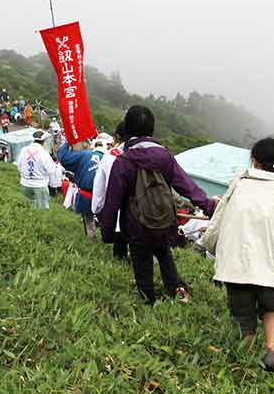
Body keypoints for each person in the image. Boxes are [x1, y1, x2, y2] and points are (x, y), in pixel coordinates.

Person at [199, 137, 274, 372]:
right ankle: (271, 350)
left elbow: (217, 222)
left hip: (237, 266)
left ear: (254, 161)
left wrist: (210, 244)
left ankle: (246, 354)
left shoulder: (238, 186)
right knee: (271, 307)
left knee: (243, 314)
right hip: (272, 268)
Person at [100, 105, 218, 305]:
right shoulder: (165, 156)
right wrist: (209, 206)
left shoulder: (124, 161)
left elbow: (113, 202)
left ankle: (148, 300)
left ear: (128, 129)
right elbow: (186, 186)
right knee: (164, 253)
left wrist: (108, 232)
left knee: (142, 261)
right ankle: (176, 289)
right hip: (165, 221)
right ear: (152, 129)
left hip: (136, 225)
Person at [92, 123, 128, 260]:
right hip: (143, 213)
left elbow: (100, 183)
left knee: (120, 243)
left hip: (117, 207)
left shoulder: (110, 155)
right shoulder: (146, 154)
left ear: (117, 136)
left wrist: (97, 207)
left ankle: (121, 261)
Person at [58, 138, 105, 240]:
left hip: (86, 195)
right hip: (103, 197)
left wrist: (69, 141)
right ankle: (105, 239)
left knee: (88, 220)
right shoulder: (107, 158)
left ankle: (91, 239)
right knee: (106, 220)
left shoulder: (84, 155)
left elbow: (62, 157)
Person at [16, 131, 56, 209]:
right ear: (43, 141)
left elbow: (19, 166)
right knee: (42, 208)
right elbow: (51, 170)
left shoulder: (24, 150)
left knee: (28, 206)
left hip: (25, 183)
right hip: (39, 184)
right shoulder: (44, 153)